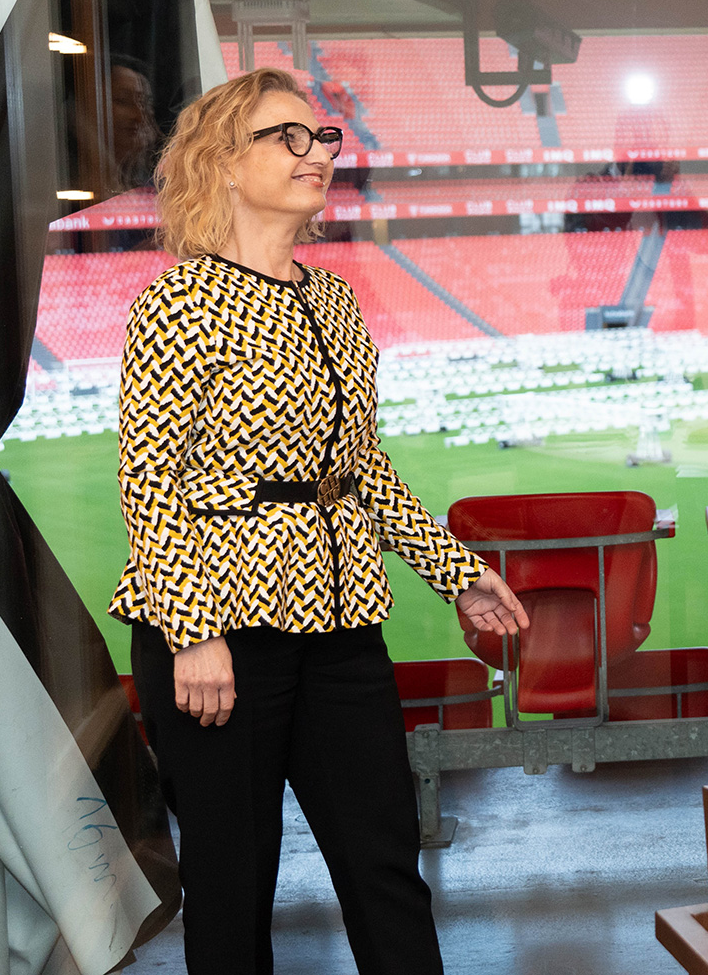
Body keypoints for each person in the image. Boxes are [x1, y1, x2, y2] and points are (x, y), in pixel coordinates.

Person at [111, 68, 529, 974]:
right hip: (219, 636)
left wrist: (457, 572)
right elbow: (150, 479)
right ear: (224, 162)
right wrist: (192, 632)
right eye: (288, 137)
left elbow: (359, 466)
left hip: (341, 629)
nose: (318, 154)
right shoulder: (179, 302)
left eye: (323, 137)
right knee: (232, 885)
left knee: (386, 866)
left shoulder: (333, 299)